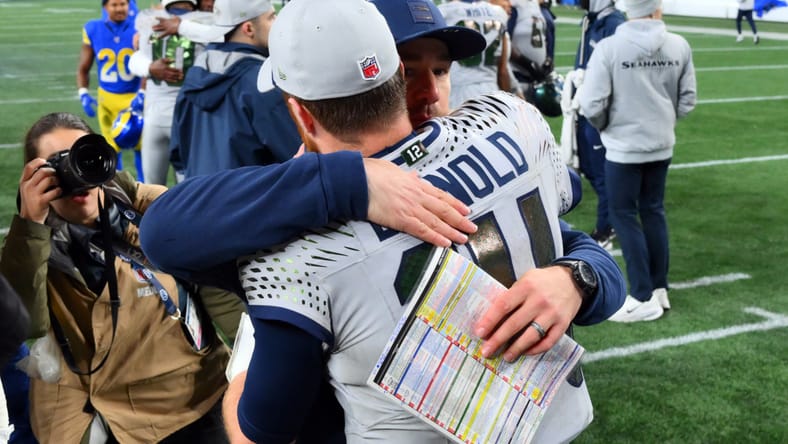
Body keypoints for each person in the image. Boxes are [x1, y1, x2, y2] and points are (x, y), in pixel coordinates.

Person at [218, 0, 623, 441]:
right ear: (389, 81)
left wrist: (576, 278)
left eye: (443, 70)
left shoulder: (295, 252)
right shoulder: (515, 128)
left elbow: (259, 428)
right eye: (410, 72)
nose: (431, 92)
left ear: (300, 112)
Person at [0, 112, 244, 443]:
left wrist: (254, 369)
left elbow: (223, 295)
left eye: (80, 156)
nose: (75, 172)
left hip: (188, 395)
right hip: (89, 406)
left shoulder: (154, 211)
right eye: (58, 164)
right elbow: (26, 324)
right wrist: (31, 226)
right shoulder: (27, 245)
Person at [578, 0, 696, 322]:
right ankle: (659, 289)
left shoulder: (609, 47)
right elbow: (688, 100)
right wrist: (663, 121)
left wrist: (607, 127)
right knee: (653, 211)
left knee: (623, 214)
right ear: (656, 7)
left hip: (623, 148)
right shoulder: (679, 44)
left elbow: (590, 102)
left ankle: (642, 295)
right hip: (661, 145)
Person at [170, 0, 301, 179]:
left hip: (199, 197)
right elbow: (295, 156)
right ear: (249, 29)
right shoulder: (262, 82)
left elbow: (179, 154)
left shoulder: (194, 73)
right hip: (250, 201)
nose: (277, 22)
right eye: (271, 17)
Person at [563, 0, 626, 248]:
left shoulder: (614, 25)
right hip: (585, 104)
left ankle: (607, 226)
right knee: (587, 167)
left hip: (600, 109)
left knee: (601, 173)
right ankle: (613, 218)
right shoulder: (591, 21)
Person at [129, 0, 212, 185]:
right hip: (189, 118)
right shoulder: (207, 24)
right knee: (190, 188)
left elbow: (133, 60)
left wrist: (150, 67)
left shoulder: (149, 21)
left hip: (154, 117)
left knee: (151, 188)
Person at [78, 0, 144, 177]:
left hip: (134, 98)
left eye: (123, 4)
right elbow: (83, 66)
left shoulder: (140, 27)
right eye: (114, 4)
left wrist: (143, 93)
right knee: (110, 152)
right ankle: (118, 195)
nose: (119, 8)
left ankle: (149, 193)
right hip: (107, 99)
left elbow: (148, 64)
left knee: (143, 150)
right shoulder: (93, 28)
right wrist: (83, 92)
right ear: (105, 7)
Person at [437, 0, 518, 108]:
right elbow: (503, 71)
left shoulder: (445, 11)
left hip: (458, 94)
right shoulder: (498, 12)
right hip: (492, 93)